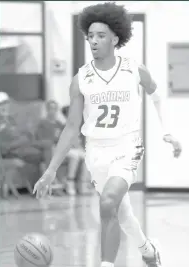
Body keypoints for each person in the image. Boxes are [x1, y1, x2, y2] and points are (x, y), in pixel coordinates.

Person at [33, 3, 182, 267]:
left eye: (101, 35)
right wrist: (51, 170)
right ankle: (148, 251)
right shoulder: (81, 79)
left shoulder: (134, 69)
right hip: (96, 152)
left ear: (115, 37)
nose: (94, 41)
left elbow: (157, 96)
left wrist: (168, 133)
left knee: (108, 203)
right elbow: (71, 127)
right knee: (120, 213)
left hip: (127, 147)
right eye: (90, 36)